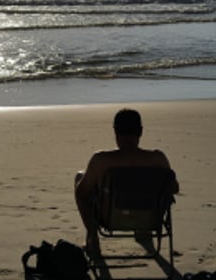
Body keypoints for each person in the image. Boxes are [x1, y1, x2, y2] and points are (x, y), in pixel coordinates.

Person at [74, 108, 178, 255]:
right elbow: (174, 188)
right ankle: (144, 233)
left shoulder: (101, 160)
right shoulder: (157, 159)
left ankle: (93, 238)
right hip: (149, 218)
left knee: (80, 179)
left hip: (110, 218)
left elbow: (82, 193)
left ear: (115, 132)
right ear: (140, 132)